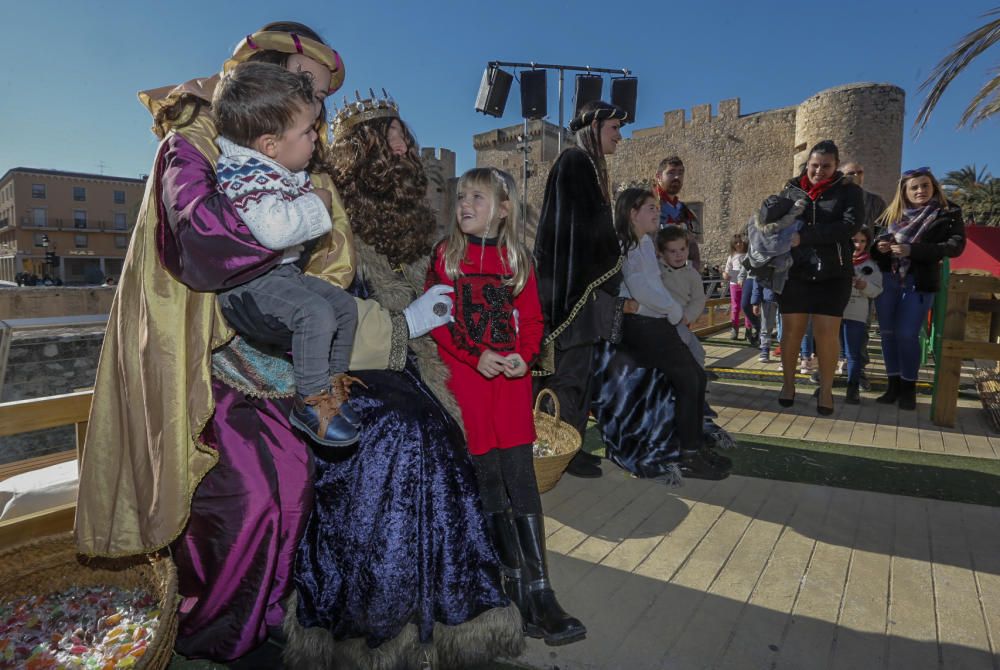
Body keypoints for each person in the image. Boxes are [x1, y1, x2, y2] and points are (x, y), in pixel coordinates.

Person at [75, 23, 522, 668]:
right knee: (264, 490)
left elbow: (333, 275)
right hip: (219, 360)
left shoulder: (308, 173)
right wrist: (382, 316)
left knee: (386, 445)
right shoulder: (198, 144)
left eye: (318, 100)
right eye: (303, 89)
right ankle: (243, 632)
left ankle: (416, 617)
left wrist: (400, 324)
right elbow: (210, 242)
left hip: (299, 352)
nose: (316, 113)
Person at [287, 93, 524, 667]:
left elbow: (453, 293)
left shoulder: (418, 228)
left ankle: (461, 610)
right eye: (388, 139)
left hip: (419, 363)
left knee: (467, 420)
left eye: (404, 139)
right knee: (405, 434)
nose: (403, 149)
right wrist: (403, 321)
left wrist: (492, 317)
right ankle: (382, 623)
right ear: (360, 153)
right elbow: (316, 311)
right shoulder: (325, 215)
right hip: (345, 370)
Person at [427, 167, 586, 646]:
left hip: (511, 387)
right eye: (459, 197)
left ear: (503, 207)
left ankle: (541, 588)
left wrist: (526, 354)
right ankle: (514, 587)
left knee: (521, 479)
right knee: (489, 483)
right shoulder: (446, 257)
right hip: (471, 384)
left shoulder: (517, 260)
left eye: (476, 196)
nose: (463, 205)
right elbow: (440, 321)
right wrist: (478, 356)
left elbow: (534, 319)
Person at [212, 61, 360, 446]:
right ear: (270, 145)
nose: (315, 138)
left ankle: (332, 387)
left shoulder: (273, 166)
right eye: (307, 131)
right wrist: (317, 203)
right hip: (249, 287)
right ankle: (310, 402)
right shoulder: (245, 173)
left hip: (280, 277)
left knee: (344, 308)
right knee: (315, 312)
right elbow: (275, 230)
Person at [533, 100, 634, 480]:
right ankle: (554, 449)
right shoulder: (575, 163)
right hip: (571, 293)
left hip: (581, 290)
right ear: (594, 128)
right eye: (613, 129)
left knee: (580, 375)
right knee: (567, 378)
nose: (619, 137)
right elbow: (577, 236)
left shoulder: (586, 165)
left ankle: (569, 447)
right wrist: (615, 250)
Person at [610, 187, 729, 480]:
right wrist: (674, 311)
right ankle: (688, 452)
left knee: (693, 378)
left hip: (653, 322)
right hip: (644, 326)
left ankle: (692, 445)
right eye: (650, 208)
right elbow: (642, 289)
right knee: (690, 378)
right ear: (632, 213)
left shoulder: (645, 244)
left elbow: (654, 286)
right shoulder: (630, 246)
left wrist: (670, 309)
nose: (657, 213)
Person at [775, 140, 864, 415]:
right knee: (791, 333)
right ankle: (788, 384)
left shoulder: (850, 192)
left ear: (836, 166)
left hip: (834, 273)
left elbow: (850, 226)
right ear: (808, 164)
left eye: (826, 166)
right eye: (815, 165)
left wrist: (806, 236)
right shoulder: (791, 189)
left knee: (827, 335)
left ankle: (825, 390)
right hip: (796, 271)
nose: (819, 171)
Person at [871, 167, 965, 410]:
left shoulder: (948, 212)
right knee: (888, 334)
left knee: (907, 334)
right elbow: (874, 240)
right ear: (905, 191)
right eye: (914, 187)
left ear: (933, 187)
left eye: (925, 185)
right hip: (888, 279)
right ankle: (892, 387)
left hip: (919, 280)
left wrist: (913, 250)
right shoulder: (891, 214)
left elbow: (954, 247)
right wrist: (880, 246)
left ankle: (908, 389)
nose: (920, 191)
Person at [841, 227, 882, 404]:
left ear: (868, 243)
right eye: (854, 240)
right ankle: (825, 385)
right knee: (830, 350)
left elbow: (878, 290)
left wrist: (864, 286)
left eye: (862, 241)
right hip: (833, 312)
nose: (858, 245)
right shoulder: (838, 260)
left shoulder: (871, 265)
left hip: (856, 313)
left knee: (853, 353)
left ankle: (852, 388)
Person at [656, 224, 707, 366]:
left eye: (682, 249)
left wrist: (687, 316)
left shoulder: (692, 274)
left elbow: (698, 299)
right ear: (661, 252)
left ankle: (697, 382)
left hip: (680, 321)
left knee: (698, 352)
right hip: (659, 320)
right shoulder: (656, 271)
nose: (679, 254)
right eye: (672, 251)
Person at [653, 156, 702, 271]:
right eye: (671, 173)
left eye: (680, 173)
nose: (677, 177)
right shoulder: (649, 205)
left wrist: (695, 265)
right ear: (658, 176)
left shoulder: (683, 209)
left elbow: (691, 241)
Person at [722, 234, 748, 340]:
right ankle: (734, 329)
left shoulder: (747, 255)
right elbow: (726, 270)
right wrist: (725, 275)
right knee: (735, 307)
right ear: (733, 245)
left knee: (747, 306)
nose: (739, 244)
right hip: (734, 284)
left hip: (746, 283)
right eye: (736, 242)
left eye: (740, 242)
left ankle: (749, 329)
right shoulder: (731, 257)